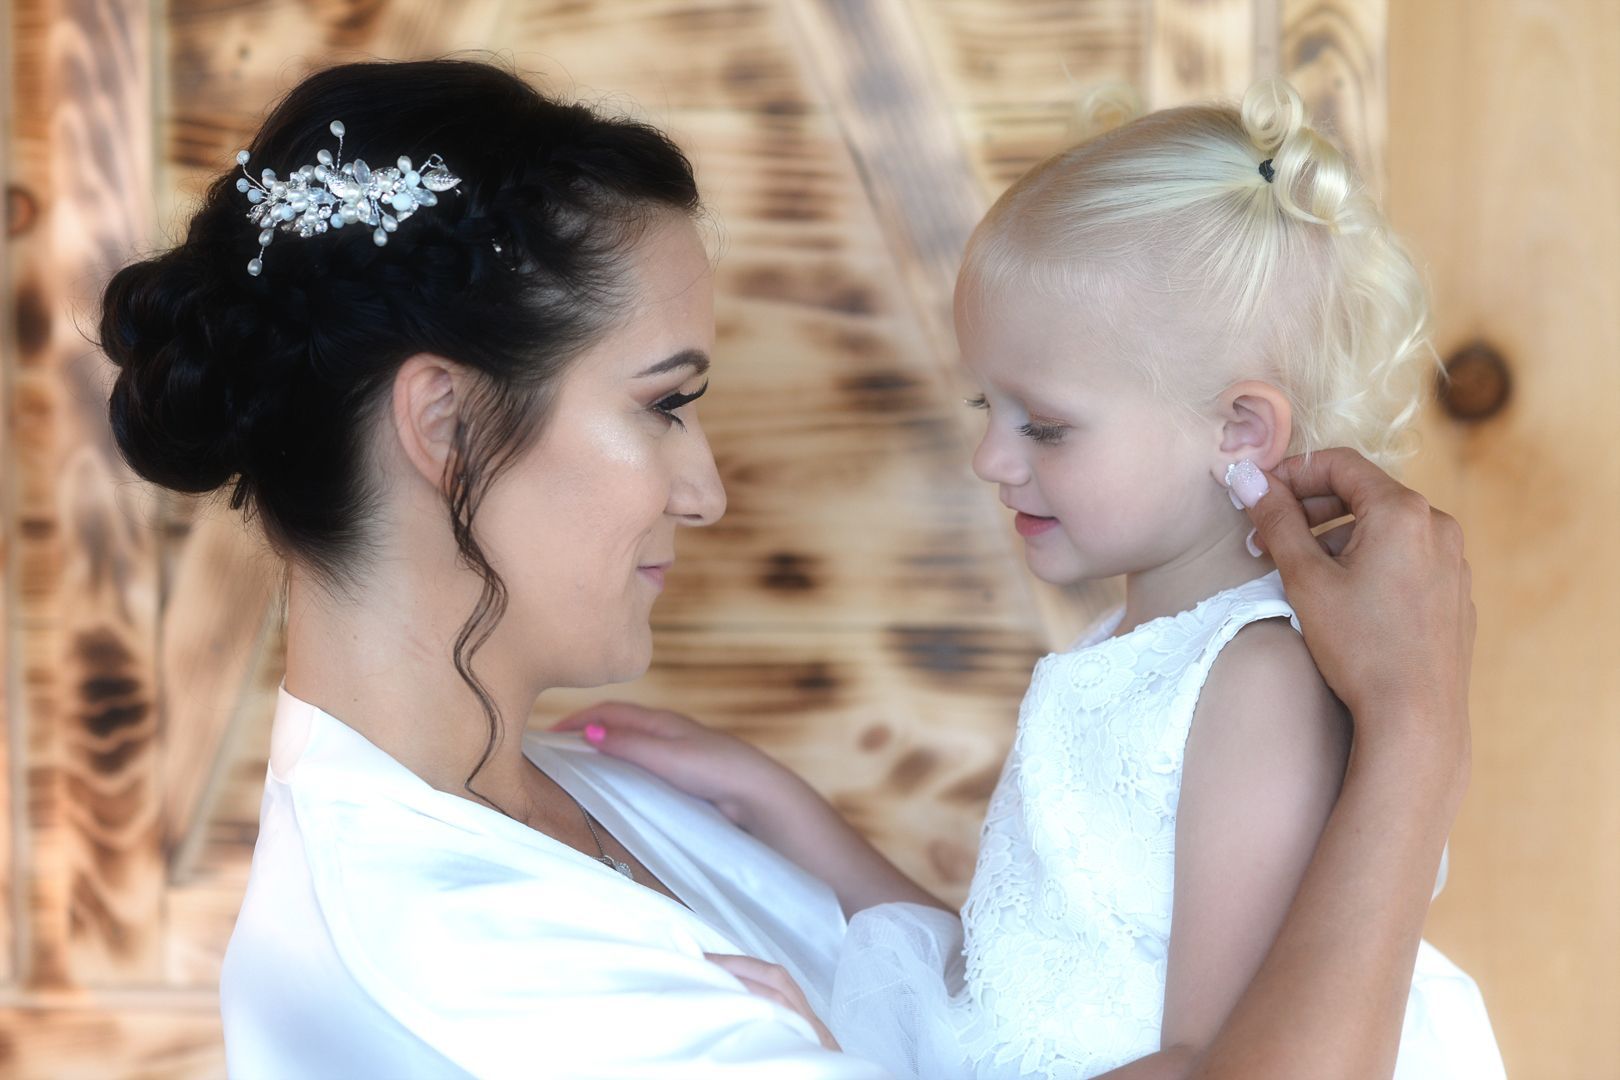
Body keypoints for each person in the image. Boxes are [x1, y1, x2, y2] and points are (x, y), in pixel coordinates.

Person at [98, 58, 1477, 1079]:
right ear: (447, 426)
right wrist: (1414, 722)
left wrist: (786, 812)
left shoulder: (603, 792)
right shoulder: (441, 964)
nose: (705, 493)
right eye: (663, 406)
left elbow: (1027, 992)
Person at [572, 76, 1504, 1079]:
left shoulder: (1257, 683)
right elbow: (1025, 982)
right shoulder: (1129, 649)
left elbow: (1215, 1059)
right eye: (986, 408)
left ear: (1238, 429)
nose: (992, 460)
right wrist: (776, 805)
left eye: (1045, 426)